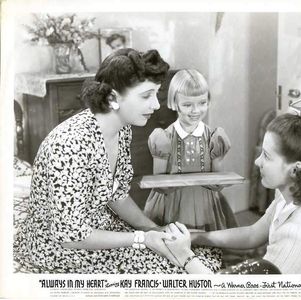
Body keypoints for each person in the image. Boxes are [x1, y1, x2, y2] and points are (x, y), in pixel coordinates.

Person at [13, 49, 221, 274]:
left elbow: (117, 194)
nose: (156, 105)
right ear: (112, 98)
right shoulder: (69, 145)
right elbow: (70, 236)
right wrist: (142, 239)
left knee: (203, 255)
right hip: (62, 249)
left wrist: (155, 230)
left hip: (99, 228)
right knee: (182, 273)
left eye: (156, 94)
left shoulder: (122, 130)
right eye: (146, 96)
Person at [164, 102, 301, 274]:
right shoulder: (294, 192)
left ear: (295, 170)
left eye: (266, 156)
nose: (258, 161)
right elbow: (253, 233)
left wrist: (185, 256)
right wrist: (197, 237)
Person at [143, 69, 237, 231]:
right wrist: (183, 181)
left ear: (208, 101)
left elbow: (216, 182)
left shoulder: (215, 138)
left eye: (202, 103)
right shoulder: (163, 138)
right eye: (187, 105)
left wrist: (223, 181)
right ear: (174, 103)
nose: (196, 111)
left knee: (206, 246)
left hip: (205, 205)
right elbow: (159, 184)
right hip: (171, 205)